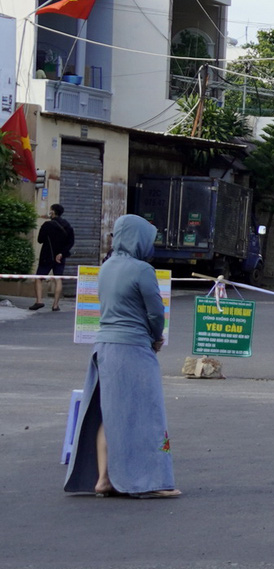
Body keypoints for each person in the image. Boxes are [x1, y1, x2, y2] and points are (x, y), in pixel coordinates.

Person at [62, 215, 177, 498]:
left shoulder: (107, 267)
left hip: (104, 348)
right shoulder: (142, 270)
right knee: (147, 414)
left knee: (108, 415)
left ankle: (104, 479)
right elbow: (155, 313)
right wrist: (156, 337)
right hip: (133, 348)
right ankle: (150, 481)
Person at [31, 203, 74, 313]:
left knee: (38, 278)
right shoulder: (67, 225)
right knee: (58, 278)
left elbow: (40, 240)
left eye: (50, 210)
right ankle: (55, 305)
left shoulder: (47, 225)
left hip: (47, 255)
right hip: (60, 257)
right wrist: (62, 253)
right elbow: (70, 242)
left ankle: (39, 301)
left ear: (53, 212)